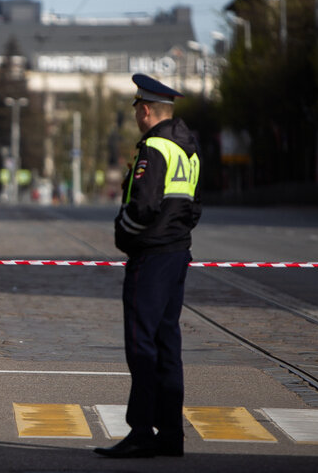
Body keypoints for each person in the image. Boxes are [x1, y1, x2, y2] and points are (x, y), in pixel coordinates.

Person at [94, 74, 202, 459]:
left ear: (144, 110)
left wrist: (123, 233)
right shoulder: (188, 148)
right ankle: (171, 433)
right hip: (176, 254)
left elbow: (142, 206)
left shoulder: (155, 148)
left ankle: (141, 430)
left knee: (141, 344)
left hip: (151, 255)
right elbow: (193, 205)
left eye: (137, 109)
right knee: (167, 343)